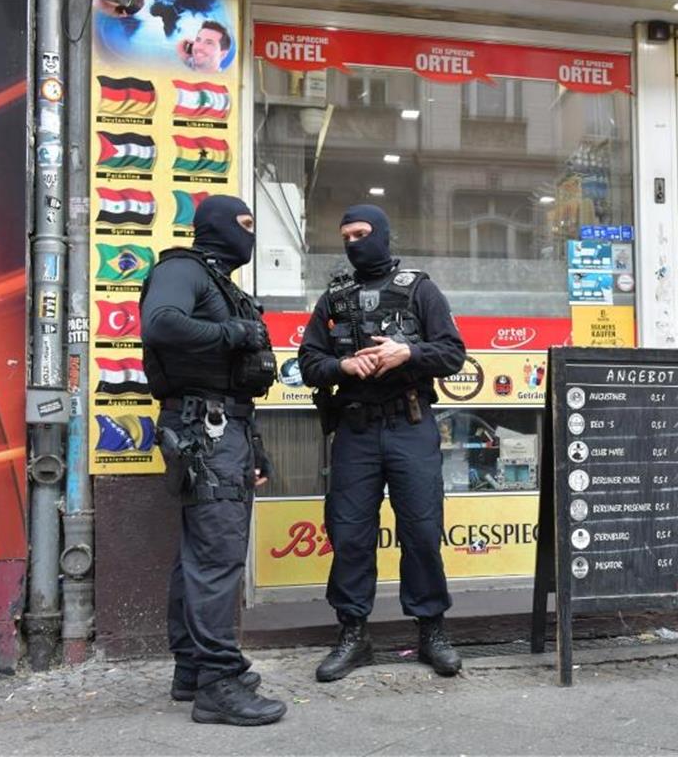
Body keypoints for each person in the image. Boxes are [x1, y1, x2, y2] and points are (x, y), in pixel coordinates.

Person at [297, 204, 467, 682]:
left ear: (384, 235)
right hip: (355, 431)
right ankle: (353, 633)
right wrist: (342, 367)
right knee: (349, 534)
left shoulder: (420, 289)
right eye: (346, 234)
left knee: (421, 530)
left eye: (363, 233)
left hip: (410, 425)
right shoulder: (334, 297)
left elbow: (453, 353)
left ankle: (431, 629)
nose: (354, 242)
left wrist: (407, 351)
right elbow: (307, 361)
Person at [139, 195, 285, 727]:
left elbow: (231, 379)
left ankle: (193, 670)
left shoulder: (220, 281)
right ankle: (218, 684)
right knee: (217, 556)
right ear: (217, 226)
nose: (250, 234)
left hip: (225, 427)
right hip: (204, 432)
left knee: (198, 555)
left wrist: (256, 445)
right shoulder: (182, 270)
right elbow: (160, 325)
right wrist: (232, 332)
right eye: (244, 224)